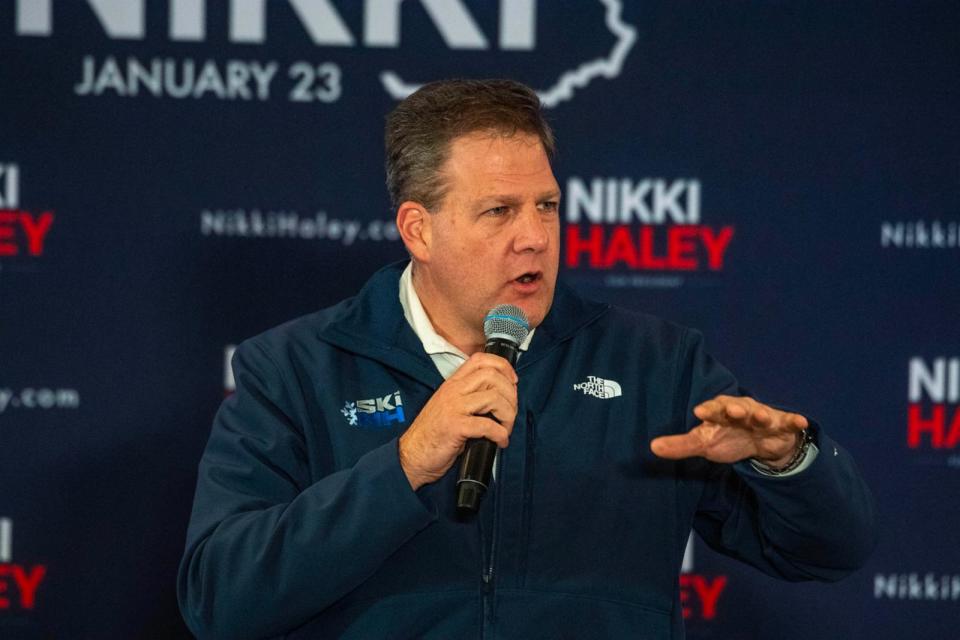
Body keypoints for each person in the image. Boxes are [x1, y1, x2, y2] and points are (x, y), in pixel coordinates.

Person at [177, 79, 876, 639]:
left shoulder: (655, 365)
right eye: (498, 212)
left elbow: (826, 552)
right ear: (418, 229)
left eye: (546, 206)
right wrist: (405, 465)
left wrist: (790, 464)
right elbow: (220, 601)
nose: (535, 237)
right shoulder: (294, 369)